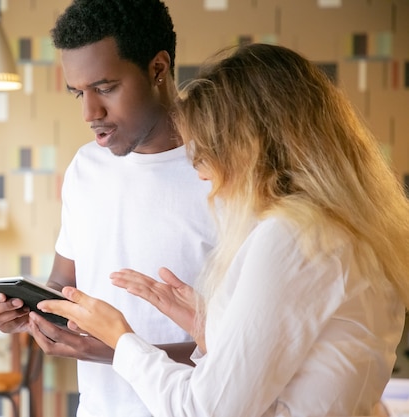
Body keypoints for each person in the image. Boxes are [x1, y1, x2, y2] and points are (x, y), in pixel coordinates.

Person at [38, 43, 409, 417]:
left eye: (209, 148)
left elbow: (207, 410)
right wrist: (209, 327)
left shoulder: (290, 237)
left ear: (252, 145)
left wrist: (122, 341)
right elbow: (295, 362)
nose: (200, 170)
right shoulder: (341, 228)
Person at [0, 0, 216, 416]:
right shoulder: (86, 168)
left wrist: (115, 350)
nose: (91, 113)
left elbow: (247, 347)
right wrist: (28, 308)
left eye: (105, 88)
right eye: (78, 93)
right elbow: (62, 281)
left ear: (158, 69)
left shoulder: (225, 175)